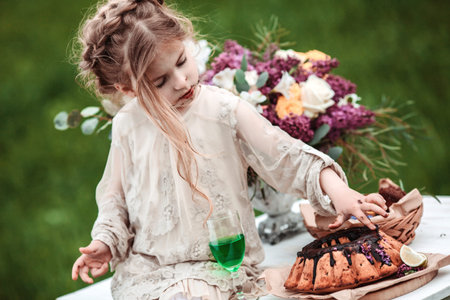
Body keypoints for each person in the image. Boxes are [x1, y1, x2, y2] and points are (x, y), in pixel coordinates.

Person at [70, 0, 389, 299]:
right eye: (160, 82)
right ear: (128, 89)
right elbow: (115, 199)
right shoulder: (127, 124)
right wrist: (105, 242)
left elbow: (286, 156)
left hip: (221, 267)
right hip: (147, 273)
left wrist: (340, 193)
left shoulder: (221, 109)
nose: (182, 81)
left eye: (182, 61)